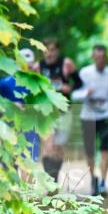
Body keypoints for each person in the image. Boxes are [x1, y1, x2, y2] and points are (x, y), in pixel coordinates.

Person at [72, 44, 108, 196]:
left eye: (103, 57)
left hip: (105, 115)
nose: (100, 60)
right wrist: (86, 93)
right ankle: (93, 179)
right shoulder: (84, 73)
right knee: (90, 152)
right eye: (97, 57)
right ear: (93, 58)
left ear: (106, 58)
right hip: (88, 116)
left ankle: (103, 183)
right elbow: (74, 95)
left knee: (105, 149)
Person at [38, 38, 78, 183]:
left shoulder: (66, 64)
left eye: (53, 50)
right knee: (48, 145)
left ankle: (54, 179)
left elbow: (79, 83)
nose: (50, 53)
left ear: (57, 51)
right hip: (46, 111)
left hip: (64, 111)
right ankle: (50, 182)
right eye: (46, 50)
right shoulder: (38, 67)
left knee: (59, 147)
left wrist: (69, 88)